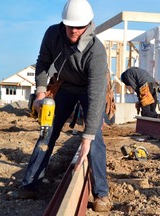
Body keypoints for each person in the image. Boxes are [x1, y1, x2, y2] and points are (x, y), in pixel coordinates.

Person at [8, 0, 111, 212]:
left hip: (89, 88)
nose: (73, 31)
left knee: (95, 140)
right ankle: (29, 185)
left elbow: (95, 95)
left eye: (79, 26)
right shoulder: (52, 34)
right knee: (48, 131)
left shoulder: (96, 51)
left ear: (88, 24)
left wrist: (87, 137)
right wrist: (40, 91)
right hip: (65, 85)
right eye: (69, 25)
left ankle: (102, 193)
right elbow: (43, 62)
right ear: (63, 22)